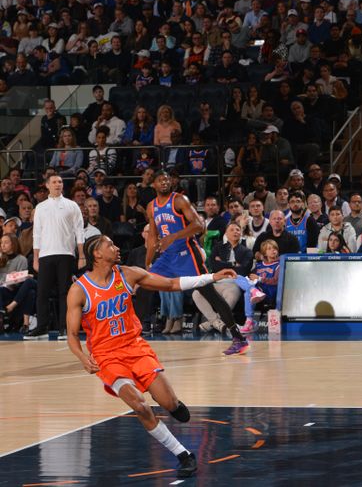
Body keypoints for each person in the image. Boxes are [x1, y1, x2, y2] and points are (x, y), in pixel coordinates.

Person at [66, 234, 238, 478]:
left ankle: (174, 405)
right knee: (139, 404)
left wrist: (212, 277)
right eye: (110, 245)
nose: (116, 248)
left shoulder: (128, 274)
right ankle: (182, 454)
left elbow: (170, 284)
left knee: (170, 404)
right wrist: (83, 358)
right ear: (97, 254)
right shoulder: (78, 290)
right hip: (107, 356)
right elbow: (72, 335)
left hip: (135, 347)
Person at [145, 171, 249, 355]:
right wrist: (148, 262)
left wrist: (173, 237)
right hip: (168, 256)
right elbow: (153, 236)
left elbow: (199, 226)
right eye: (160, 180)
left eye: (167, 179)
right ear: (153, 184)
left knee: (210, 294)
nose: (164, 182)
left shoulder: (179, 200)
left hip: (188, 254)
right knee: (143, 280)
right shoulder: (151, 206)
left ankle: (237, 336)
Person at [26, 175, 85, 339]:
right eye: (54, 182)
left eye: (60, 181)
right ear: (47, 185)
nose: (58, 184)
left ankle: (65, 328)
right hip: (45, 255)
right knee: (42, 292)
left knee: (65, 292)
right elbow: (36, 234)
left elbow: (79, 231)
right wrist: (36, 258)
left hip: (66, 254)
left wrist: (81, 255)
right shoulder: (40, 207)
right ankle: (42, 327)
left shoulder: (72, 205)